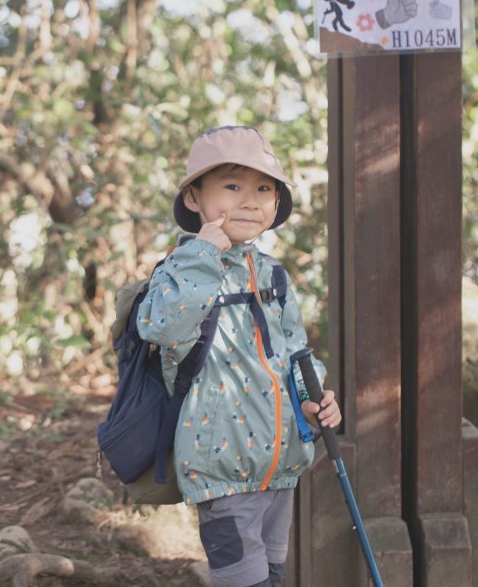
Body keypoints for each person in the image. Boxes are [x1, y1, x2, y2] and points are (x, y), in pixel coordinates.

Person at [137, 125, 342, 587]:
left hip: (281, 465)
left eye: (264, 189)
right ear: (194, 197)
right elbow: (163, 327)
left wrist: (313, 398)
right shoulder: (180, 269)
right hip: (222, 467)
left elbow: (296, 353)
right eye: (232, 186)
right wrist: (204, 254)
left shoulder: (273, 275)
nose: (250, 201)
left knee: (272, 574)